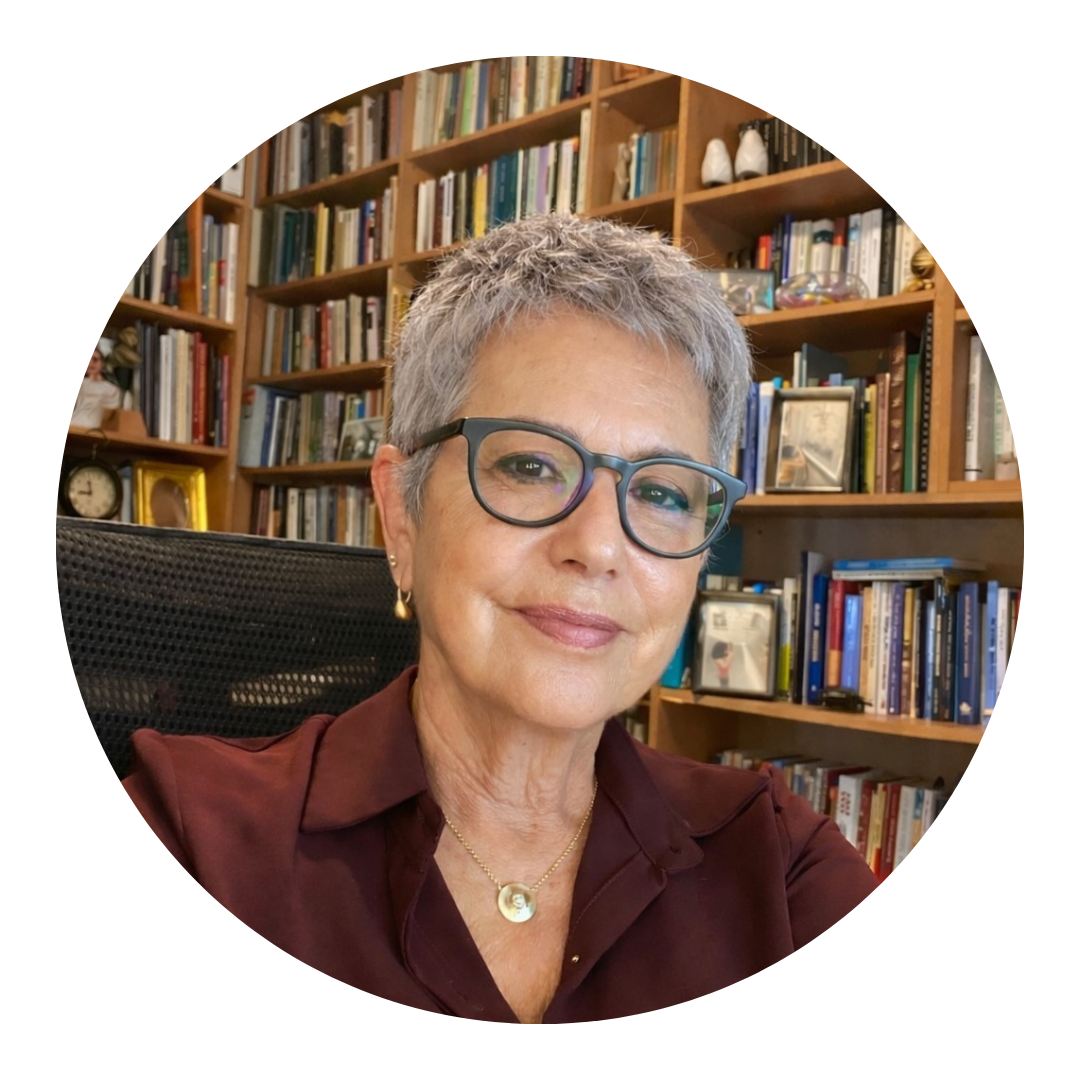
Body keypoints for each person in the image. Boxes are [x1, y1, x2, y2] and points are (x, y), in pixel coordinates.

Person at [122, 214, 878, 1021]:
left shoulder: (779, 867)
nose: (598, 547)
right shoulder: (199, 834)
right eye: (529, 465)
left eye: (661, 491)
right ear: (401, 515)